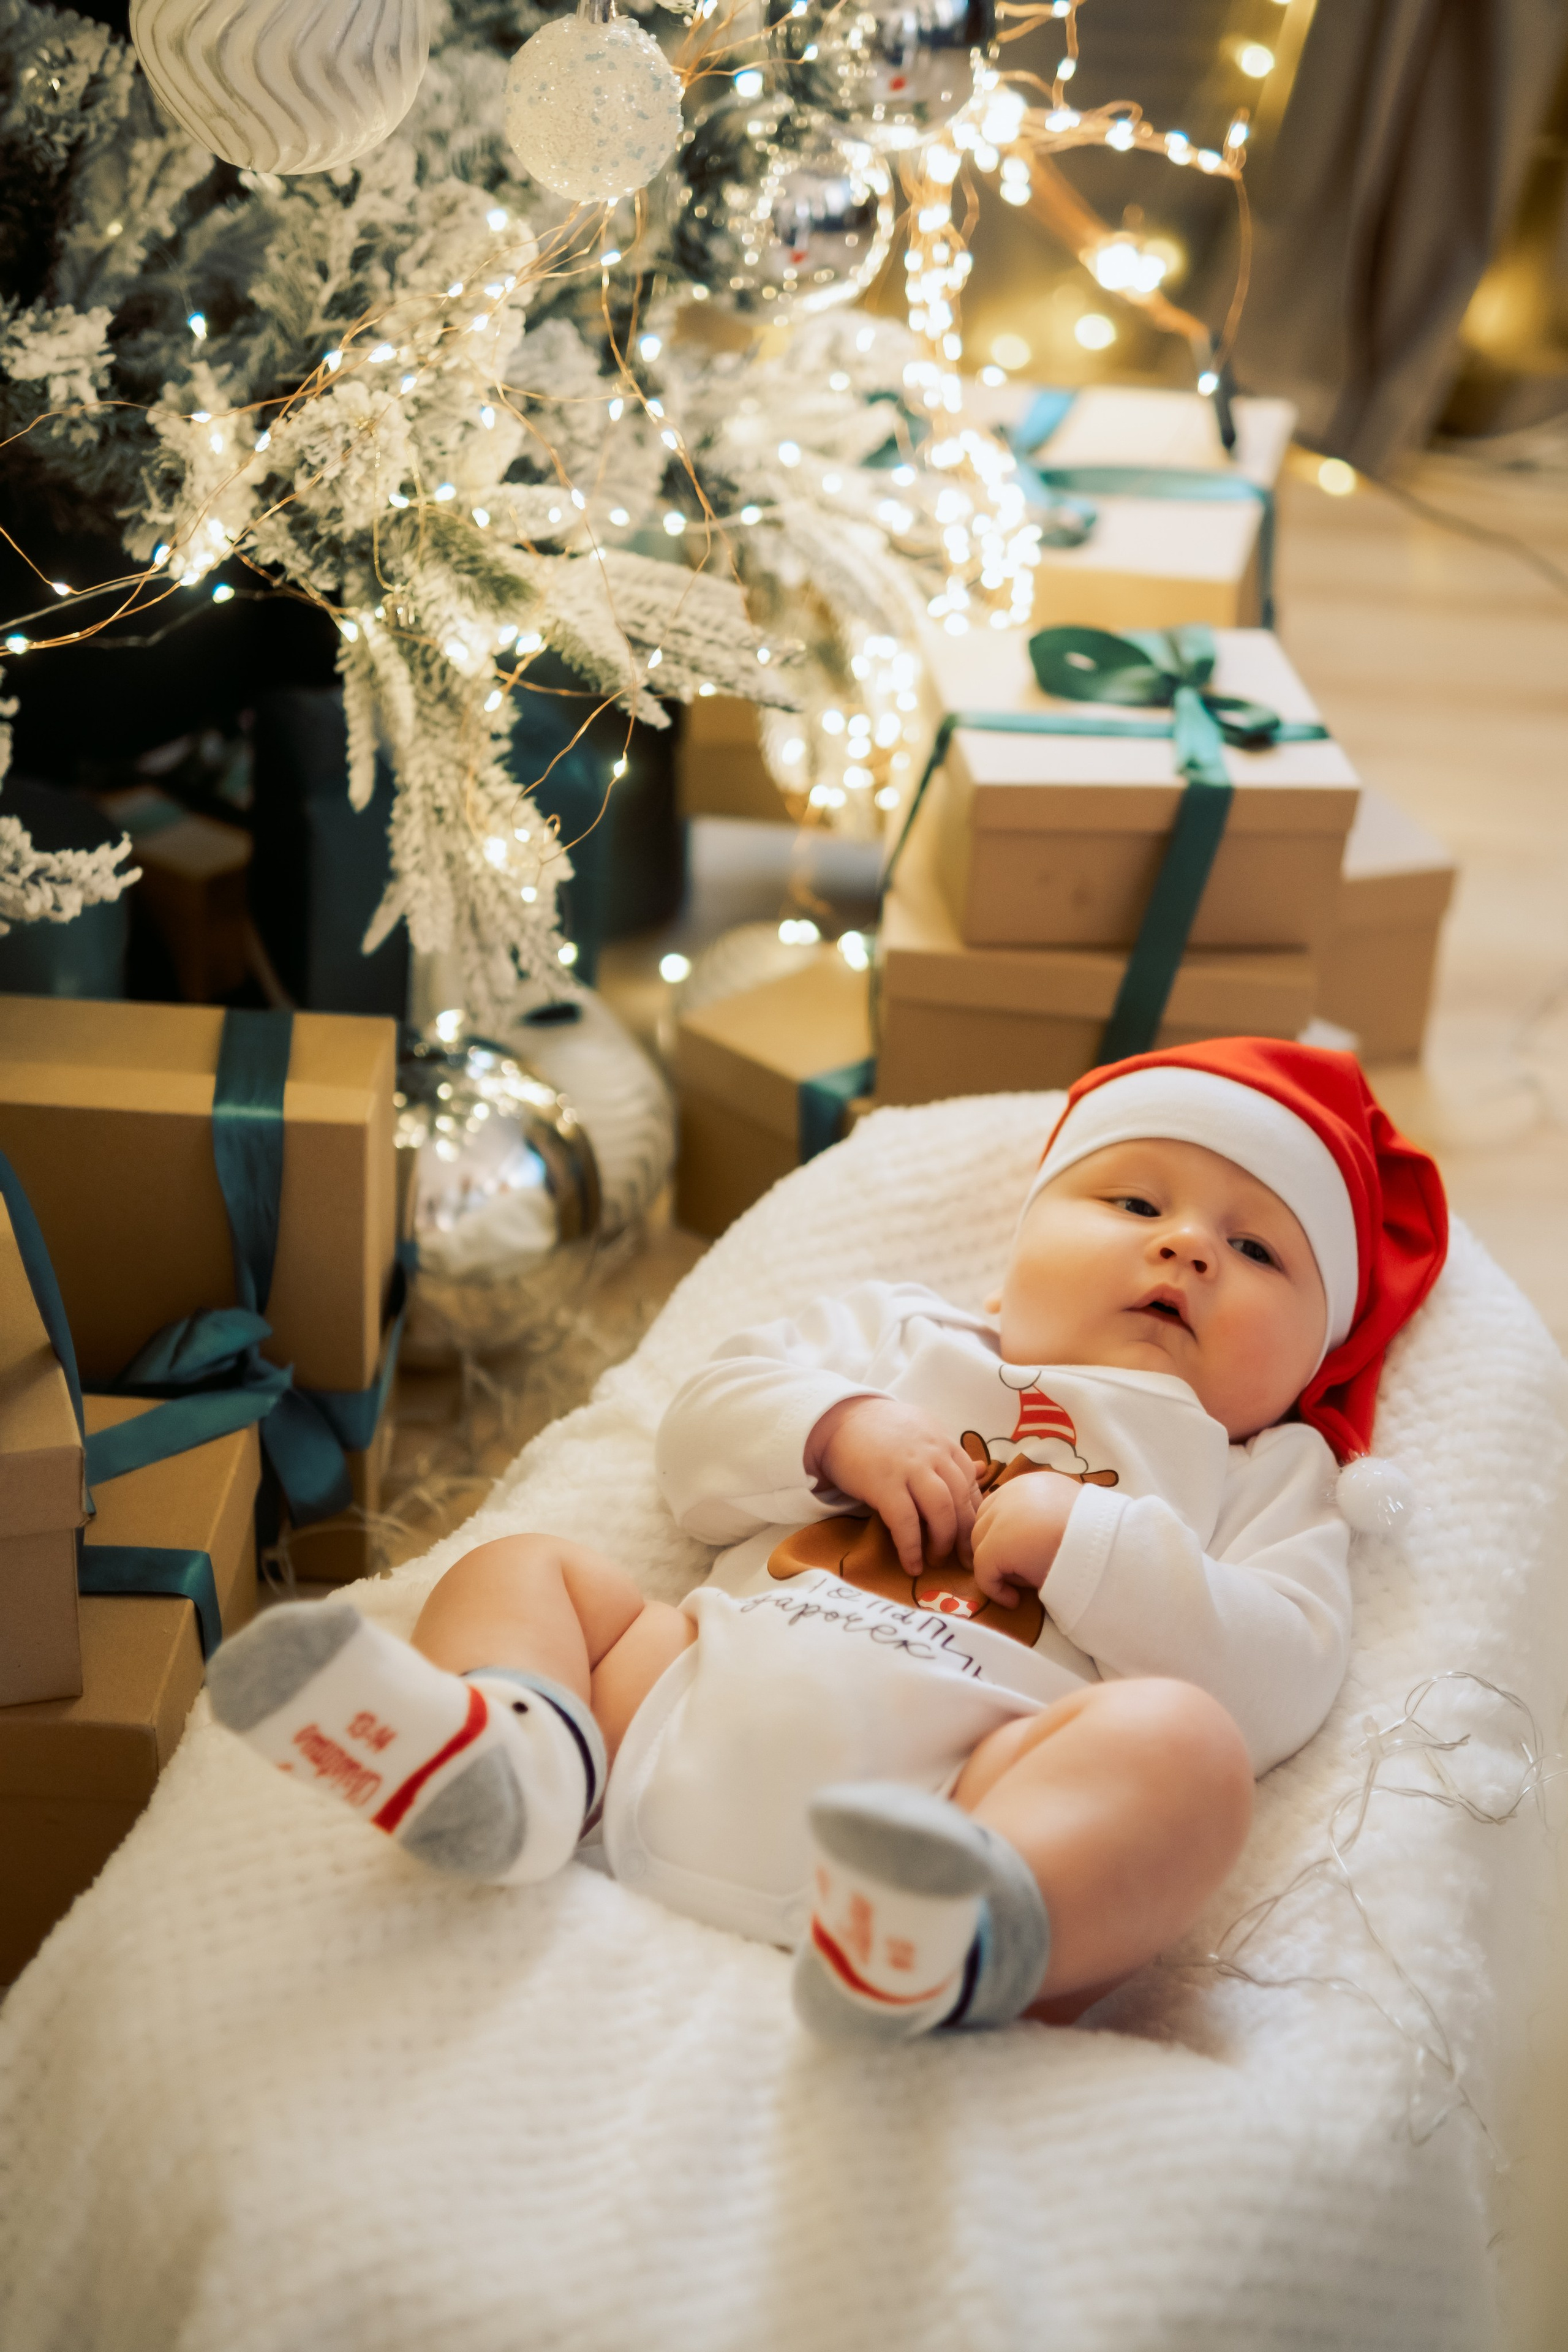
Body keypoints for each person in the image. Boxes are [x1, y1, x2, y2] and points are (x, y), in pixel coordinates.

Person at [210, 1039, 1447, 2042]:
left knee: (1185, 1757)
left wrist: (1092, 1542)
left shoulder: (1266, 1472)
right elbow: (695, 1447)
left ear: (1308, 1358)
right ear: (1015, 1256)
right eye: (1131, 1201)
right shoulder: (900, 1336)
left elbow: (1279, 1677)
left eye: (1255, 1250)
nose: (1184, 1246)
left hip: (964, 1789)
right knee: (523, 1569)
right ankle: (515, 1759)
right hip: (690, 1705)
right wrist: (836, 1430)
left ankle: (953, 1933)